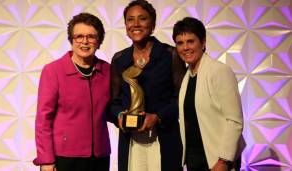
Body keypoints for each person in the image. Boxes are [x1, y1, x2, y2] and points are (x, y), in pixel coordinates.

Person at [109, 0, 186, 171]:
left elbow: (181, 99)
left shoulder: (170, 55)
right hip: (131, 141)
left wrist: (158, 117)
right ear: (125, 25)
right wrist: (120, 115)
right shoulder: (119, 59)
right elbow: (113, 102)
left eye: (142, 19)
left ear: (153, 24)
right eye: (130, 19)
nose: (135, 24)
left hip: (164, 138)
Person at [33, 12, 111, 171]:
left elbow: (112, 109)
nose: (85, 41)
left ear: (99, 41)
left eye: (91, 36)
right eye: (79, 36)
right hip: (65, 157)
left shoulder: (108, 70)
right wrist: (46, 160)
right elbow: (43, 119)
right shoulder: (53, 71)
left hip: (100, 157)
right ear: (71, 40)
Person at [172, 17, 245, 171]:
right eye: (180, 43)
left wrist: (223, 161)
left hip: (217, 160)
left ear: (203, 43)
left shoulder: (219, 71)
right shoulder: (187, 77)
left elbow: (234, 120)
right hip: (194, 159)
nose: (185, 47)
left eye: (190, 41)